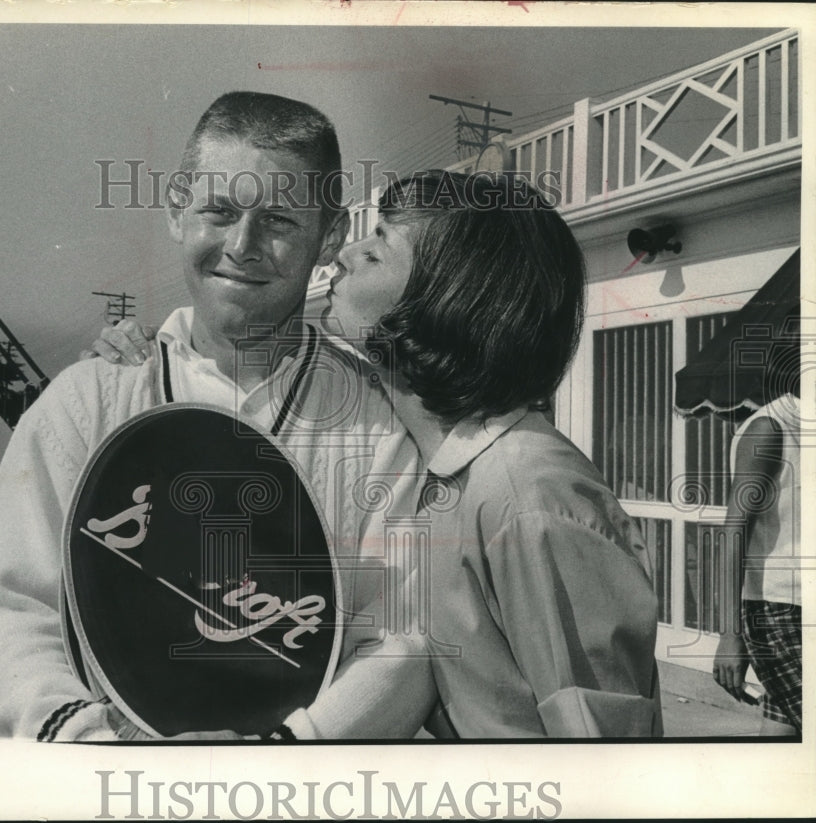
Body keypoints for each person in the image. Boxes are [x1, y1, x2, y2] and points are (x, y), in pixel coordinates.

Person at [96, 170, 663, 737]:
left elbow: (606, 755)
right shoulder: (439, 461)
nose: (344, 252)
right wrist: (153, 350)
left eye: (381, 245)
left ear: (448, 296)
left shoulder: (527, 490)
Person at [0, 91, 424, 742]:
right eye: (219, 210)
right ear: (178, 208)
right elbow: (15, 607)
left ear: (331, 235)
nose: (243, 245)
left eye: (280, 221)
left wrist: (281, 752)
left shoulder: (378, 427)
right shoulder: (86, 400)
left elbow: (402, 636)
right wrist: (94, 743)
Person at [712, 384, 802, 735]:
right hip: (780, 610)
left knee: (781, 729)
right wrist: (730, 637)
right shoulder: (771, 427)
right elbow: (734, 532)